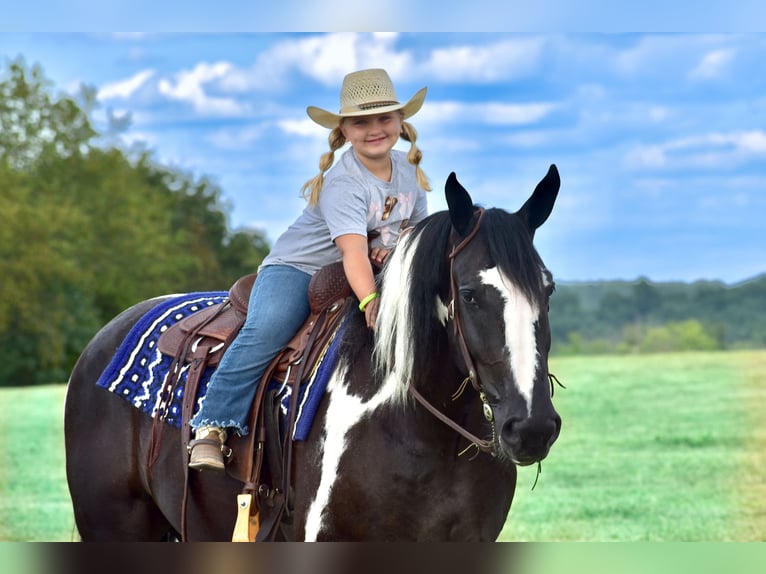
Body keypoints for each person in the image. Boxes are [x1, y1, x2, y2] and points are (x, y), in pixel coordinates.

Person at [188, 68, 431, 471]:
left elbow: (417, 233)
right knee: (271, 326)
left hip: (365, 268)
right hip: (302, 267)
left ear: (401, 123)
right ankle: (212, 425)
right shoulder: (344, 182)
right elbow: (352, 253)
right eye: (361, 121)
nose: (375, 129)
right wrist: (370, 301)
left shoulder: (409, 174)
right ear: (343, 132)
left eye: (385, 118)